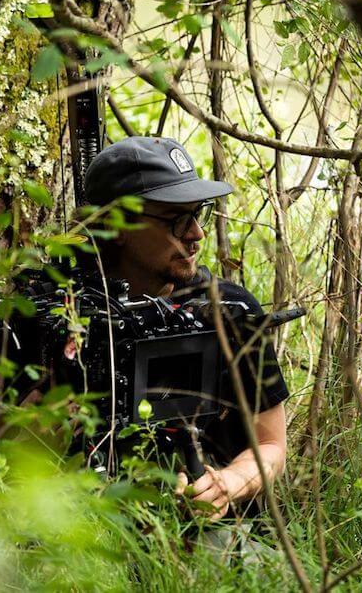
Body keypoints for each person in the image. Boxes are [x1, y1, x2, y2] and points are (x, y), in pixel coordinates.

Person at [82, 136, 289, 522]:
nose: (196, 234)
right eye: (177, 219)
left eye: (198, 215)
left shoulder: (230, 312)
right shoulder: (68, 316)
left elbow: (272, 443)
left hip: (214, 535)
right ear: (117, 225)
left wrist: (228, 483)